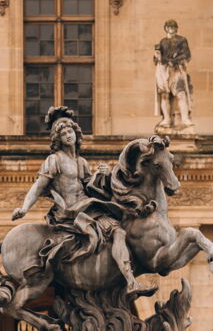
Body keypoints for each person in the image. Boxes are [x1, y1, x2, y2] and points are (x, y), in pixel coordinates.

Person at [12, 107, 156, 296]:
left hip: (87, 206)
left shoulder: (82, 163)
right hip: (71, 211)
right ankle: (130, 281)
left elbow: (91, 187)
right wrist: (24, 207)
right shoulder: (54, 160)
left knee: (123, 222)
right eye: (63, 134)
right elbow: (38, 186)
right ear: (58, 139)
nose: (68, 136)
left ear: (76, 134)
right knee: (118, 232)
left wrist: (101, 174)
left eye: (70, 131)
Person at [154, 19, 194, 130]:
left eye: (173, 27)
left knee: (181, 93)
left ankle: (185, 118)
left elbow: (187, 54)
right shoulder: (163, 42)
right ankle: (167, 119)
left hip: (177, 69)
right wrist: (157, 56)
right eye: (169, 27)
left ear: (176, 28)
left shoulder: (182, 40)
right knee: (164, 95)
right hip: (163, 70)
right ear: (166, 28)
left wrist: (174, 60)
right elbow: (158, 57)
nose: (171, 29)